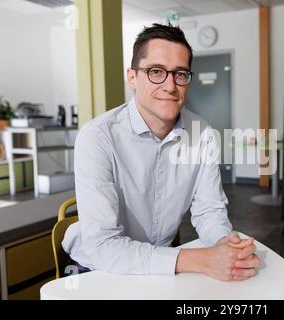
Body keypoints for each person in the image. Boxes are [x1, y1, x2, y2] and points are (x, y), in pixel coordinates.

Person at [62, 23, 260, 281]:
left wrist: (226, 245)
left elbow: (208, 211)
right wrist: (201, 260)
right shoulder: (97, 137)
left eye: (180, 74)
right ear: (132, 77)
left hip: (161, 261)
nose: (170, 86)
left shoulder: (202, 134)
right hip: (97, 268)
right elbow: (103, 246)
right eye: (156, 71)